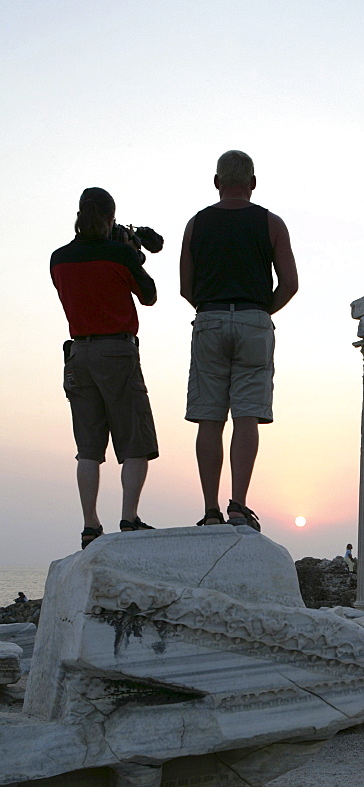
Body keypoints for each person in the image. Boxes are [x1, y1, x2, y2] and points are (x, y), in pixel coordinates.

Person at [180, 150, 298, 531]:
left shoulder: (196, 224)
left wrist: (213, 311)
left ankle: (210, 509)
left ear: (217, 183)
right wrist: (262, 312)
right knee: (246, 415)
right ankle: (238, 505)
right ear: (253, 183)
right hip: (253, 320)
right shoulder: (271, 223)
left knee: (209, 418)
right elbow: (290, 284)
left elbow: (186, 287)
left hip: (210, 317)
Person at [51, 188, 158, 550]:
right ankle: (129, 519)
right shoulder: (119, 255)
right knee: (134, 441)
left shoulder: (58, 259)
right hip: (117, 351)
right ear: (111, 218)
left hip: (78, 354)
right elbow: (149, 295)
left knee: (88, 449)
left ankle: (90, 526)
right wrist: (130, 252)